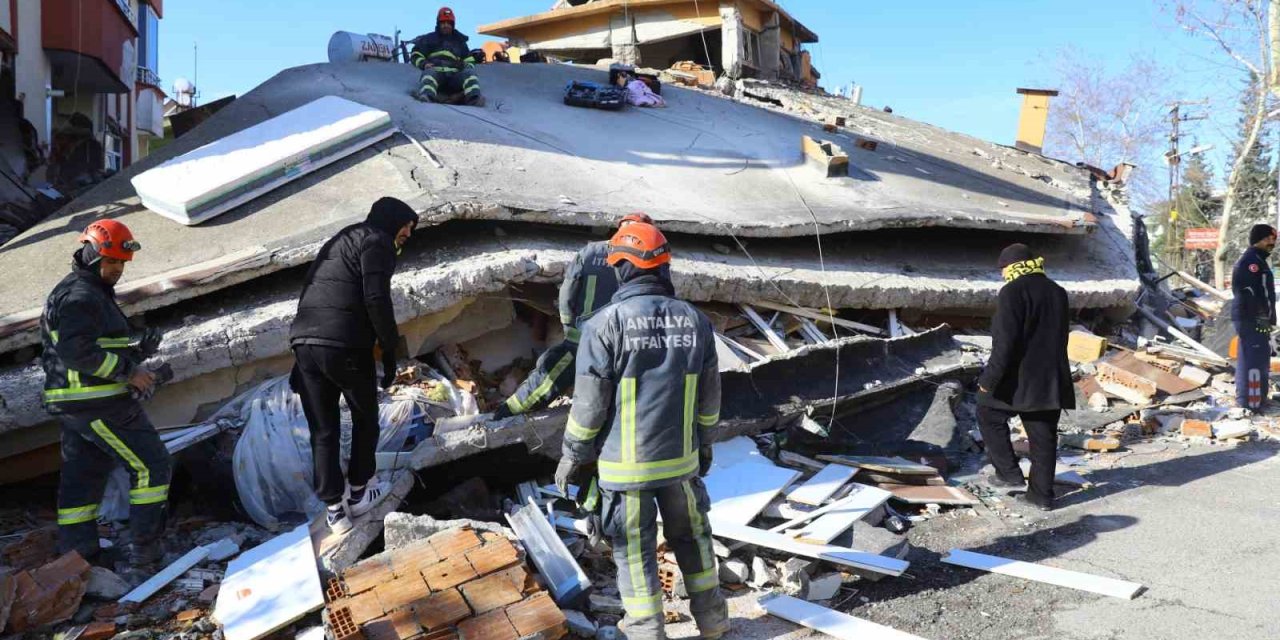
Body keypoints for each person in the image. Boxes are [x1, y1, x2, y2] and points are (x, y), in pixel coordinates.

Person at [555, 223, 728, 640]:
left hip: (625, 470)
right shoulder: (695, 321)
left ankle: (647, 632)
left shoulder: (603, 325)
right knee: (694, 538)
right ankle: (715, 623)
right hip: (682, 462)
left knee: (633, 551)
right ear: (662, 266)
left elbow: (589, 408)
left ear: (623, 267)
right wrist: (704, 447)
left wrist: (572, 457)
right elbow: (709, 400)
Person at [42, 220, 170, 572]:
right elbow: (76, 351)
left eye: (122, 264)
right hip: (98, 403)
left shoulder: (88, 292)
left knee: (82, 480)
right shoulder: (81, 296)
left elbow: (96, 346)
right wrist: (130, 372)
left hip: (80, 403)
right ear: (92, 254)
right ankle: (146, 555)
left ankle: (78, 559)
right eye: (112, 262)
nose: (118, 270)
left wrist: (135, 352)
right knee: (151, 466)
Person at [289, 197, 418, 534]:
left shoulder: (343, 239)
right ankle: (361, 492)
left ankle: (335, 511)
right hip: (345, 343)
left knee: (324, 429)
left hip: (304, 343)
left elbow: (312, 290)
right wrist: (389, 349)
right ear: (392, 221)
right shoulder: (377, 241)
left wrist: (299, 360)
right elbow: (376, 298)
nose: (408, 233)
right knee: (365, 417)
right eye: (407, 226)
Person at [495, 213, 654, 418]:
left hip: (582, 338)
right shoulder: (646, 262)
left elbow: (567, 293)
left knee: (544, 384)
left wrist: (570, 329)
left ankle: (503, 416)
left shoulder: (591, 252)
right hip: (620, 346)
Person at [975, 243, 1073, 511]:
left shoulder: (1012, 291)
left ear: (1011, 267)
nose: (1002, 275)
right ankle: (1041, 496)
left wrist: (988, 380)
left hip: (1017, 378)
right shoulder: (1057, 291)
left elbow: (1005, 343)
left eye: (1002, 269)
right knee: (1043, 437)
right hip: (1050, 379)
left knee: (987, 413)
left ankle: (1008, 474)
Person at [1231, 224, 1277, 410]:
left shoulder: (1257, 259)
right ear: (1264, 239)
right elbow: (1249, 293)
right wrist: (1261, 317)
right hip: (1252, 319)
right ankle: (1252, 403)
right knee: (1254, 360)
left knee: (1254, 357)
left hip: (1254, 318)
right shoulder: (1251, 262)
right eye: (1272, 239)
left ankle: (1253, 400)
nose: (1274, 244)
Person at [410, 7, 484, 106]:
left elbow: (469, 59)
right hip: (437, 75)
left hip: (455, 77)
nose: (446, 25)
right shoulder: (429, 39)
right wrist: (424, 64)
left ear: (453, 25)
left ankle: (474, 99)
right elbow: (416, 54)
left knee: (470, 73)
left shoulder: (460, 42)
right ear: (438, 24)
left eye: (449, 23)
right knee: (429, 73)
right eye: (443, 23)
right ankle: (427, 98)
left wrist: (468, 66)